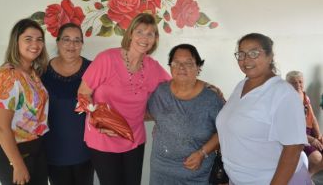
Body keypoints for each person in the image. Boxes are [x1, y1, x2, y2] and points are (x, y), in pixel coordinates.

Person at [77, 13, 171, 185]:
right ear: (130, 34)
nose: (144, 38)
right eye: (140, 31)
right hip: (103, 138)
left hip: (134, 139)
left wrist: (206, 87)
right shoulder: (107, 58)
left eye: (150, 33)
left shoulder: (152, 67)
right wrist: (100, 121)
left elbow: (176, 86)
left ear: (155, 39)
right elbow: (83, 93)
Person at [216, 33, 311, 185]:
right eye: (241, 54)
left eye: (254, 53)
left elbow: (293, 149)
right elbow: (229, 124)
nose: (246, 59)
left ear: (270, 56)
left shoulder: (283, 94)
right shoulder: (242, 85)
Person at [147, 44, 225, 184]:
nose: (181, 67)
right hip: (160, 171)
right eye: (176, 62)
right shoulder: (160, 92)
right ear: (170, 66)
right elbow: (145, 113)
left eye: (188, 63)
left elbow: (226, 130)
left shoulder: (211, 98)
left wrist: (203, 152)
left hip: (196, 173)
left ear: (198, 67)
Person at [0, 19, 49, 185]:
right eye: (28, 39)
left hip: (35, 150)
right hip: (13, 155)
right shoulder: (7, 76)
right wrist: (18, 164)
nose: (35, 44)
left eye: (39, 39)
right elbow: (1, 127)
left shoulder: (33, 73)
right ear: (16, 41)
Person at [41, 23, 94, 185]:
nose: (72, 45)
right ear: (57, 43)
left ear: (82, 45)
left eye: (77, 40)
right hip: (53, 151)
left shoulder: (93, 69)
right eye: (66, 39)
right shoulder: (42, 71)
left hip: (86, 151)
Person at [286, 70, 323, 175]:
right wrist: (312, 139)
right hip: (297, 136)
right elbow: (291, 129)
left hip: (309, 132)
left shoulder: (305, 97)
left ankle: (308, 176)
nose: (298, 85)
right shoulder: (286, 101)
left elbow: (313, 118)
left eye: (300, 82)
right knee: (317, 158)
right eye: (293, 82)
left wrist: (319, 135)